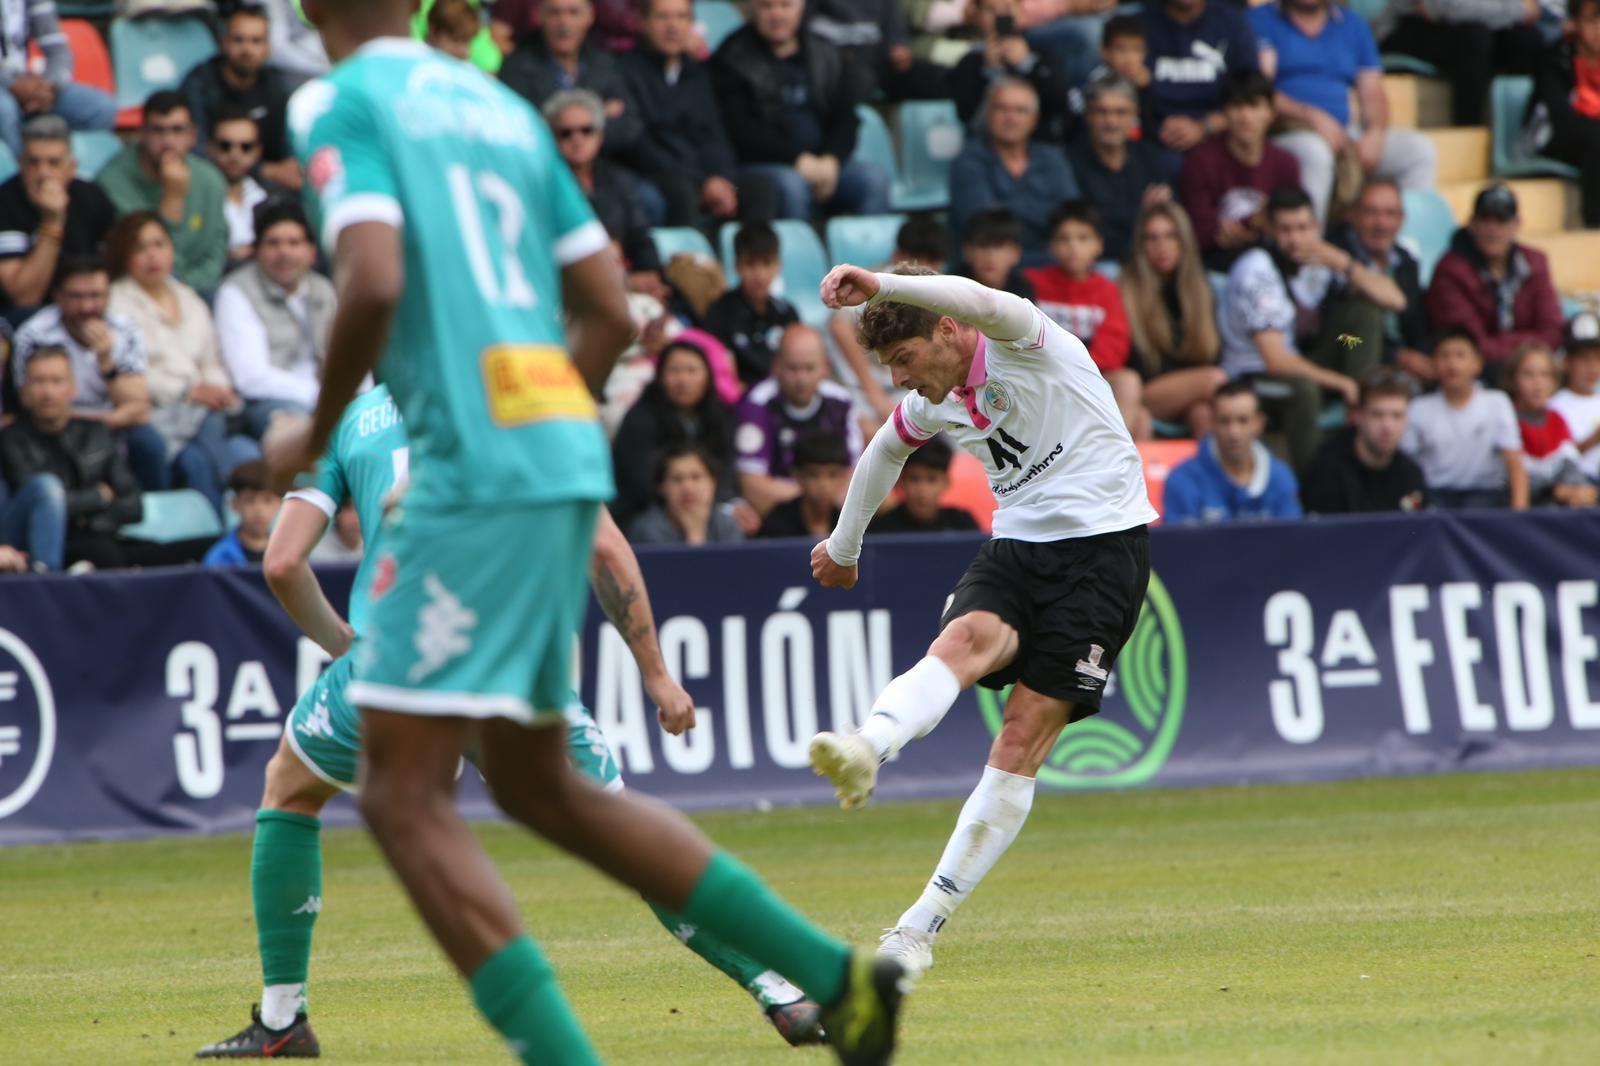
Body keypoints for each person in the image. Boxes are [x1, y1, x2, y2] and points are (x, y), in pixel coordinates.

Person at [269, 6, 903, 1065]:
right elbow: (612, 312)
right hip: (558, 452)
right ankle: (840, 979)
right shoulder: (500, 109)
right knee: (537, 784)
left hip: (463, 474)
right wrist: (531, 415)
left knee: (401, 793)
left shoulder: (335, 100)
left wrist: (313, 418)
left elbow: (373, 280)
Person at [197, 387, 825, 1058]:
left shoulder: (350, 415)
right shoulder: (523, 385)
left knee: (291, 788)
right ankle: (781, 987)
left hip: (396, 663)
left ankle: (282, 1017)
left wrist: (345, 648)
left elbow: (283, 562)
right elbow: (604, 551)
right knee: (619, 829)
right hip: (510, 661)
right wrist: (656, 673)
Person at [806, 262, 1157, 978]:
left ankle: (917, 929)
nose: (902, 378)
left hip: (1103, 556)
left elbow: (969, 294)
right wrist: (844, 548)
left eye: (904, 360)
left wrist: (878, 281)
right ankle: (868, 748)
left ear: (946, 331)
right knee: (962, 642)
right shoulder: (935, 400)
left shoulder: (1023, 340)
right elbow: (885, 448)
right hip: (1019, 547)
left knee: (1023, 732)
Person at [1220, 186, 1405, 472]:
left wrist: (1343, 263)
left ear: (1316, 227)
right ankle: (1314, 489)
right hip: (1254, 377)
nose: (1295, 239)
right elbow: (1276, 361)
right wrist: (1340, 382)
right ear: (1269, 229)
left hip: (1305, 360)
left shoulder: (1320, 260)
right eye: (1285, 229)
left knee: (1361, 319)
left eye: (1303, 228)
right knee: (1305, 391)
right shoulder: (1257, 269)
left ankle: (1363, 408)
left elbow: (1395, 300)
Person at [108, 211, 255, 514]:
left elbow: (212, 360)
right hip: (156, 411)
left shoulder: (189, 297)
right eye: (140, 248)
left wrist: (216, 389)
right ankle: (244, 514)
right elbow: (129, 374)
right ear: (125, 255)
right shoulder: (116, 303)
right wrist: (188, 392)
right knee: (207, 432)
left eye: (159, 244)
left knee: (196, 459)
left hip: (202, 406)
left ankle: (219, 538)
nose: (152, 256)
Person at [1252, 0, 1437, 223]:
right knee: (1315, 152)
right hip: (1285, 131)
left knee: (1418, 151)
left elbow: (1372, 89)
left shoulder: (1352, 24)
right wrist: (1312, 116)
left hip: (1344, 130)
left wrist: (1376, 133)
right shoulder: (1260, 19)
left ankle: (1402, 248)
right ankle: (1310, 249)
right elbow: (1260, 90)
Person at [711, 0, 892, 221]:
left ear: (801, 8)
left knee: (874, 180)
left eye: (785, 5)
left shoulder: (826, 53)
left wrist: (832, 160)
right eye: (767, 7)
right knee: (792, 186)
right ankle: (798, 255)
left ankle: (869, 255)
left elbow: (846, 117)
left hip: (823, 163)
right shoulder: (732, 57)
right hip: (765, 165)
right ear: (753, 11)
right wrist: (797, 160)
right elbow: (742, 131)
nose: (777, 15)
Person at [11, 256, 168, 491]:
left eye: (95, 296)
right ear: (58, 296)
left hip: (109, 429)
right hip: (53, 428)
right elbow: (29, 401)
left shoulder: (125, 330)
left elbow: (139, 408)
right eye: (76, 296)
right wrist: (108, 418)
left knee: (149, 443)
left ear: (108, 295)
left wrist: (106, 362)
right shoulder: (34, 335)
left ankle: (154, 521)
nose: (86, 307)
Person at [617, 0, 745, 230]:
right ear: (643, 23)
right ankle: (688, 265)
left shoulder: (698, 74)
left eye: (681, 17)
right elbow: (639, 144)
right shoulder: (624, 71)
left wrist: (724, 179)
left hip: (703, 176)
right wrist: (702, 182)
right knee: (682, 193)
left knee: (761, 188)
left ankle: (756, 266)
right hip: (657, 174)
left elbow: (715, 136)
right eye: (663, 17)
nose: (672, 26)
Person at [214, 202, 337, 438]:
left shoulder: (323, 289)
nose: (284, 253)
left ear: (311, 252)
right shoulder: (236, 292)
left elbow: (351, 355)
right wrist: (324, 396)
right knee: (305, 430)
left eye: (294, 243)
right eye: (273, 243)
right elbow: (251, 378)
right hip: (271, 402)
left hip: (328, 396)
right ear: (256, 250)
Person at [1024, 201, 1143, 438]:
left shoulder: (1107, 290)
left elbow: (1114, 349)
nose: (1073, 247)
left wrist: (1076, 368)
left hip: (1092, 377)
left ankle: (1114, 455)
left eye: (1083, 238)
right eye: (1064, 239)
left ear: (1098, 245)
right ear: (1051, 246)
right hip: (1044, 375)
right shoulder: (1031, 283)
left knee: (1129, 383)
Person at [96, 92, 230, 295]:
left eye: (177, 130)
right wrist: (173, 200)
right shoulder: (112, 183)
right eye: (158, 131)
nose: (168, 142)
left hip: (199, 291)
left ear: (192, 136)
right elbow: (140, 259)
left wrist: (186, 292)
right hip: (137, 291)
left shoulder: (211, 180)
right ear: (142, 134)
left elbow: (215, 254)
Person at [1118, 201, 1228, 436]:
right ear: (1141, 245)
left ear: (1184, 241)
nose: (1162, 246)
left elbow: (1211, 353)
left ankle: (1207, 474)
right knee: (1215, 380)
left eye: (1171, 236)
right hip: (1145, 393)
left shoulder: (1200, 288)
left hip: (1192, 394)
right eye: (1152, 238)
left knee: (1202, 414)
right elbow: (1137, 364)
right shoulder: (1127, 290)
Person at [1426, 184, 1564, 368]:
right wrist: (1526, 346)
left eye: (1501, 221)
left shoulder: (1534, 262)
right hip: (1478, 372)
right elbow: (1469, 345)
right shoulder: (1450, 270)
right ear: (1472, 224)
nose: (1493, 230)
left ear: (1516, 224)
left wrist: (1515, 348)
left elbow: (1553, 331)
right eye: (1485, 220)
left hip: (1530, 367)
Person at [542, 90, 663, 298]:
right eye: (565, 133)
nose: (577, 139)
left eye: (586, 130)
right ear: (551, 139)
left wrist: (649, 277)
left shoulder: (620, 181)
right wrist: (624, 282)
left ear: (600, 136)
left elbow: (641, 240)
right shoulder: (544, 187)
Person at [1178, 68, 1301, 272]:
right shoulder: (1200, 160)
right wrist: (1253, 222)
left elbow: (1294, 224)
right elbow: (1197, 231)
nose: (1245, 116)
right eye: (1237, 106)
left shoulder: (1287, 163)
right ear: (1225, 112)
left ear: (1271, 113)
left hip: (1275, 264)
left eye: (1254, 106)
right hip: (1215, 265)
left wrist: (1246, 227)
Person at [948, 78, 1080, 265]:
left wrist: (1005, 209)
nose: (1011, 118)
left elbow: (1070, 216)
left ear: (1034, 120)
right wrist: (1044, 215)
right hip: (993, 269)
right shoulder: (968, 160)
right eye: (1002, 109)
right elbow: (985, 226)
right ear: (988, 115)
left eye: (1020, 111)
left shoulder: (1052, 159)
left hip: (1053, 265)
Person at [610, 340, 739, 529]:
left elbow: (727, 469)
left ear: (707, 376)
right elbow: (639, 482)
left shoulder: (719, 415)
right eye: (674, 371)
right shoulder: (640, 418)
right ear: (660, 376)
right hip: (647, 510)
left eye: (692, 371)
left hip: (708, 508)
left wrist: (722, 504)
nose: (683, 380)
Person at [736, 324, 863, 515]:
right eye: (793, 368)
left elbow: (856, 475)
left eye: (809, 368)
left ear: (825, 367)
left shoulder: (841, 401)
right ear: (776, 366)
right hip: (778, 518)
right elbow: (752, 486)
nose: (801, 378)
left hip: (833, 515)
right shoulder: (757, 403)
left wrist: (816, 499)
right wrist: (816, 498)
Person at [499, 0, 643, 161]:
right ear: (539, 15)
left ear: (590, 16)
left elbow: (630, 127)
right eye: (555, 13)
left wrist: (560, 126)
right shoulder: (516, 68)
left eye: (573, 12)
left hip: (601, 174)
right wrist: (598, 115)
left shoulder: (604, 63)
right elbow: (518, 132)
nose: (564, 22)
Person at [180, 3, 303, 191]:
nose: (247, 49)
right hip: (212, 181)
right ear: (223, 42)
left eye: (256, 41)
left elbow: (286, 150)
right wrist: (262, 170)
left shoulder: (276, 86)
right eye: (239, 40)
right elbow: (197, 150)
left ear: (267, 47)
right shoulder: (199, 84)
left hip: (267, 186)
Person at [1402, 328, 1529, 509]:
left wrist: (1520, 512)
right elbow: (1407, 464)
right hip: (1434, 495)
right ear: (1433, 363)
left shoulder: (1497, 402)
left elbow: (1514, 461)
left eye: (1460, 355)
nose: (1452, 364)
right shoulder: (1418, 408)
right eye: (1444, 356)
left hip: (1485, 494)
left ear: (1477, 363)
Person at [0, 116, 116, 311]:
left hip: (87, 305)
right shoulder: (5, 202)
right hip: (26, 318)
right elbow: (24, 298)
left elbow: (118, 264)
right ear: (20, 164)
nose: (43, 173)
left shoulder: (91, 195)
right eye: (33, 162)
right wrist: (52, 222)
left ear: (71, 167)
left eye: (53, 163)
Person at [1381, 0, 1545, 128]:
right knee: (1475, 39)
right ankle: (1467, 132)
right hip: (1406, 27)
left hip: (1474, 24)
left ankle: (1515, 136)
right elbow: (1442, 7)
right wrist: (1519, 10)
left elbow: (1532, 7)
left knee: (1526, 39)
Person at [1065, 75, 1173, 265]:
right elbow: (1084, 231)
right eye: (1102, 112)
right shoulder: (1069, 163)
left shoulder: (1150, 157)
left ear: (1135, 114)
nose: (1111, 122)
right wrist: (1143, 216)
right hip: (1099, 264)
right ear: (1087, 114)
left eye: (1120, 112)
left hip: (1151, 261)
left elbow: (1170, 218)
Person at [1332, 180, 1430, 383]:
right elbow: (1336, 335)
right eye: (1371, 213)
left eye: (1390, 214)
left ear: (1402, 219)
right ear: (1353, 215)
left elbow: (1415, 321)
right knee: (1364, 316)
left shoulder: (1405, 260)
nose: (1381, 224)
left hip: (1398, 367)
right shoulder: (1334, 255)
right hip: (1344, 349)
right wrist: (1396, 356)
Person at [1162, 379, 1302, 522]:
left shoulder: (1281, 477)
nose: (1234, 432)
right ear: (1212, 422)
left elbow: (1294, 541)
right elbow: (1178, 543)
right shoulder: (1183, 479)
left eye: (1243, 420)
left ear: (1259, 423)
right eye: (1224, 421)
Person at [1300, 366, 1428, 514]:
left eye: (1397, 415)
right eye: (1377, 415)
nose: (1388, 426)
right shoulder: (1327, 470)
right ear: (1358, 415)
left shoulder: (1410, 473)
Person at [0, 0, 117, 159]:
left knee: (101, 108)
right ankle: (19, 178)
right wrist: (12, 84)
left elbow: (59, 50)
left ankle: (74, 177)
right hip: (6, 87)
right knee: (4, 110)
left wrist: (49, 86)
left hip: (29, 84)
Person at [1142, 0, 1259, 157]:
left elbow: (1251, 88)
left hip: (1221, 134)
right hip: (1153, 135)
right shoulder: (1140, 25)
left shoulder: (1231, 22)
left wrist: (1205, 126)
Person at [951, 0, 1072, 142]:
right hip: (983, 148)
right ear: (978, 16)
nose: (1000, 15)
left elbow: (1059, 107)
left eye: (1008, 7)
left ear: (1020, 12)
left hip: (1038, 147)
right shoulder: (969, 62)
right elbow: (965, 116)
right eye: (991, 9)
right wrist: (989, 70)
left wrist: (1027, 65)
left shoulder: (1044, 56)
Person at [1527, 0, 1600, 228]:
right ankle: (1595, 226)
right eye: (1591, 20)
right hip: (1553, 136)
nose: (1599, 29)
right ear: (1575, 23)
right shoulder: (1557, 58)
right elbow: (1560, 118)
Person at [703, 222, 801, 386]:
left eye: (766, 264)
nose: (759, 274)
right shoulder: (719, 312)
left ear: (778, 266)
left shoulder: (788, 313)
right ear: (737, 266)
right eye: (750, 265)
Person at [1504, 341, 1598, 506]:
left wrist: (1580, 490)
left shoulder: (1556, 420)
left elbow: (1569, 465)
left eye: (1545, 375)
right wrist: (1556, 491)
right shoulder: (1504, 418)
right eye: (1528, 374)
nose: (1537, 383)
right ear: (1513, 379)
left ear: (1554, 381)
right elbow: (1504, 479)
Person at [628, 443, 747, 545]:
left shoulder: (727, 525)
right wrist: (695, 534)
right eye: (677, 479)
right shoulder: (647, 530)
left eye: (696, 477)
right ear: (662, 487)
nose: (687, 488)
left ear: (713, 482)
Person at [208, 107, 279, 268]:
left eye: (245, 147)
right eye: (225, 146)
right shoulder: (196, 196)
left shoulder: (273, 197)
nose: (235, 154)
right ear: (210, 148)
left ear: (258, 151)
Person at [868, 435, 982, 533]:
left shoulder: (963, 525)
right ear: (901, 480)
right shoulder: (881, 529)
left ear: (946, 482)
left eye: (932, 480)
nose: (922, 490)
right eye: (914, 479)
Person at [1069, 16, 1158, 142]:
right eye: (1121, 50)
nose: (1129, 59)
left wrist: (1145, 91)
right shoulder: (1093, 84)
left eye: (1136, 50)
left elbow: (1152, 130)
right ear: (1105, 52)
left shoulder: (1146, 82)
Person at [757, 432, 849, 539]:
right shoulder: (776, 525)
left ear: (844, 476)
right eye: (813, 475)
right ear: (797, 476)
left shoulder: (851, 524)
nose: (823, 485)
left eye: (832, 475)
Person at [1550, 311, 1600, 483]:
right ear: (1566, 362)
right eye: (1584, 359)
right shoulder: (1554, 405)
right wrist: (1594, 438)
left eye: (1597, 358)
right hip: (1575, 485)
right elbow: (1553, 462)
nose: (1592, 367)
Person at [202, 460, 281, 565]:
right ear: (234, 504)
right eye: (249, 500)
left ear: (278, 503)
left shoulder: (289, 552)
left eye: (267, 500)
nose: (259, 509)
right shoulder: (220, 557)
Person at [960, 209, 1034, 299]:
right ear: (968, 251)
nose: (990, 256)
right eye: (983, 245)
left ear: (1015, 253)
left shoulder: (1024, 291)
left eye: (999, 246)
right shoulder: (953, 287)